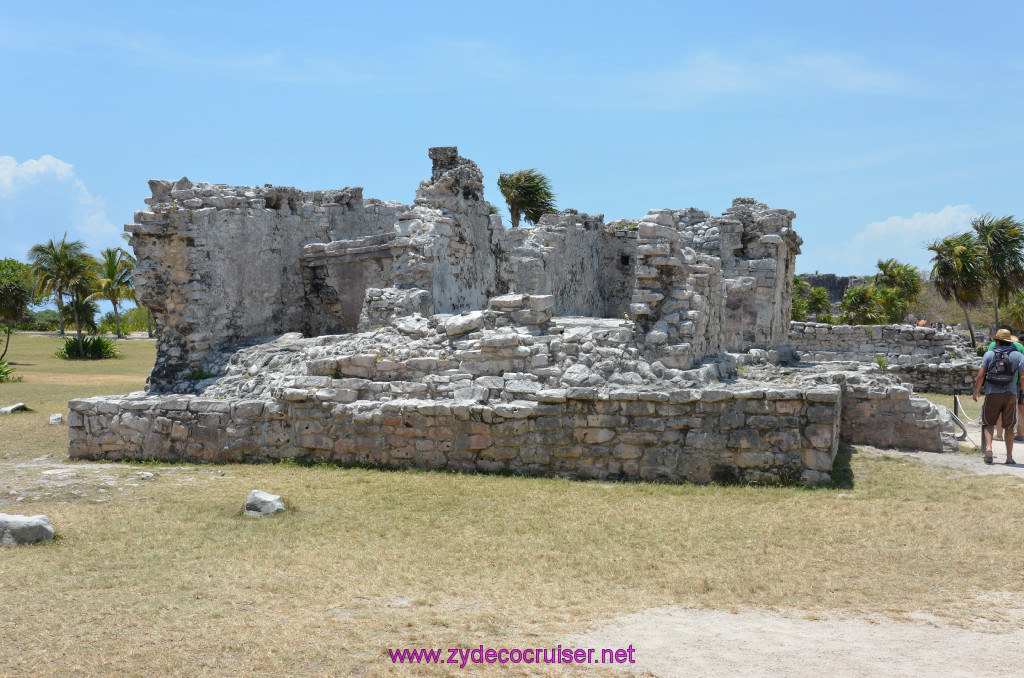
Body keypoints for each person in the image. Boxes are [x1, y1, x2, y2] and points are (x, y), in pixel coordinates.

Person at [973, 328, 1024, 464]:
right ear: (1009, 342)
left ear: (997, 341)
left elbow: (981, 374)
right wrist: (1023, 391)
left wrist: (976, 390)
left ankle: (989, 448)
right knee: (1009, 426)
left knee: (989, 422)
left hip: (992, 392)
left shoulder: (989, 354)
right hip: (1010, 393)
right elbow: (1023, 376)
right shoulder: (1017, 355)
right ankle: (1009, 457)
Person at [983, 330, 1024, 441]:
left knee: (993, 416)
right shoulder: (1019, 350)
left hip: (993, 386)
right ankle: (1019, 434)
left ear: (997, 340)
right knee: (1016, 413)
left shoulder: (991, 349)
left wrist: (977, 389)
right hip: (1012, 385)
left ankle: (998, 435)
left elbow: (984, 369)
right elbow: (1022, 374)